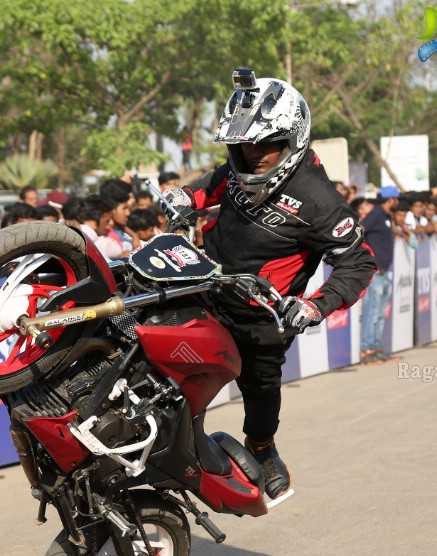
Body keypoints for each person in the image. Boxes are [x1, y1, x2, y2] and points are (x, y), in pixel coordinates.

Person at [163, 69, 376, 500]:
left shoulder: (320, 201)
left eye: (264, 144)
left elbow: (359, 262)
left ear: (293, 139)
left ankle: (263, 449)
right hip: (206, 286)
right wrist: (188, 197)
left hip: (261, 316)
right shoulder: (238, 167)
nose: (251, 154)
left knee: (260, 389)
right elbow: (218, 180)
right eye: (243, 144)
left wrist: (315, 306)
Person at [359, 187, 401, 366]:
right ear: (390, 199)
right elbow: (360, 229)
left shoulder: (385, 216)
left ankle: (376, 348)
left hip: (384, 271)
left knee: (379, 314)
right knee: (371, 312)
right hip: (375, 272)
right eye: (396, 198)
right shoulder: (376, 213)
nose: (398, 202)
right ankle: (366, 351)